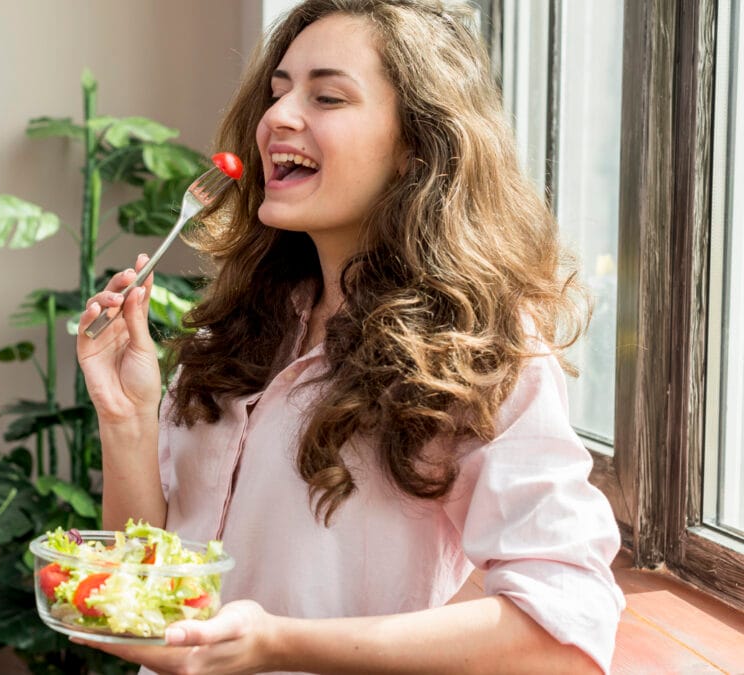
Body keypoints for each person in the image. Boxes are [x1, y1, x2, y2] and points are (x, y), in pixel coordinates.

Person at [75, 0, 625, 673]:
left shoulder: (477, 347)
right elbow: (152, 582)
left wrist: (275, 643)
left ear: (416, 147)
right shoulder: (244, 322)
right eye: (277, 92)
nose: (277, 117)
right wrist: (125, 416)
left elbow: (565, 633)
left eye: (327, 96)